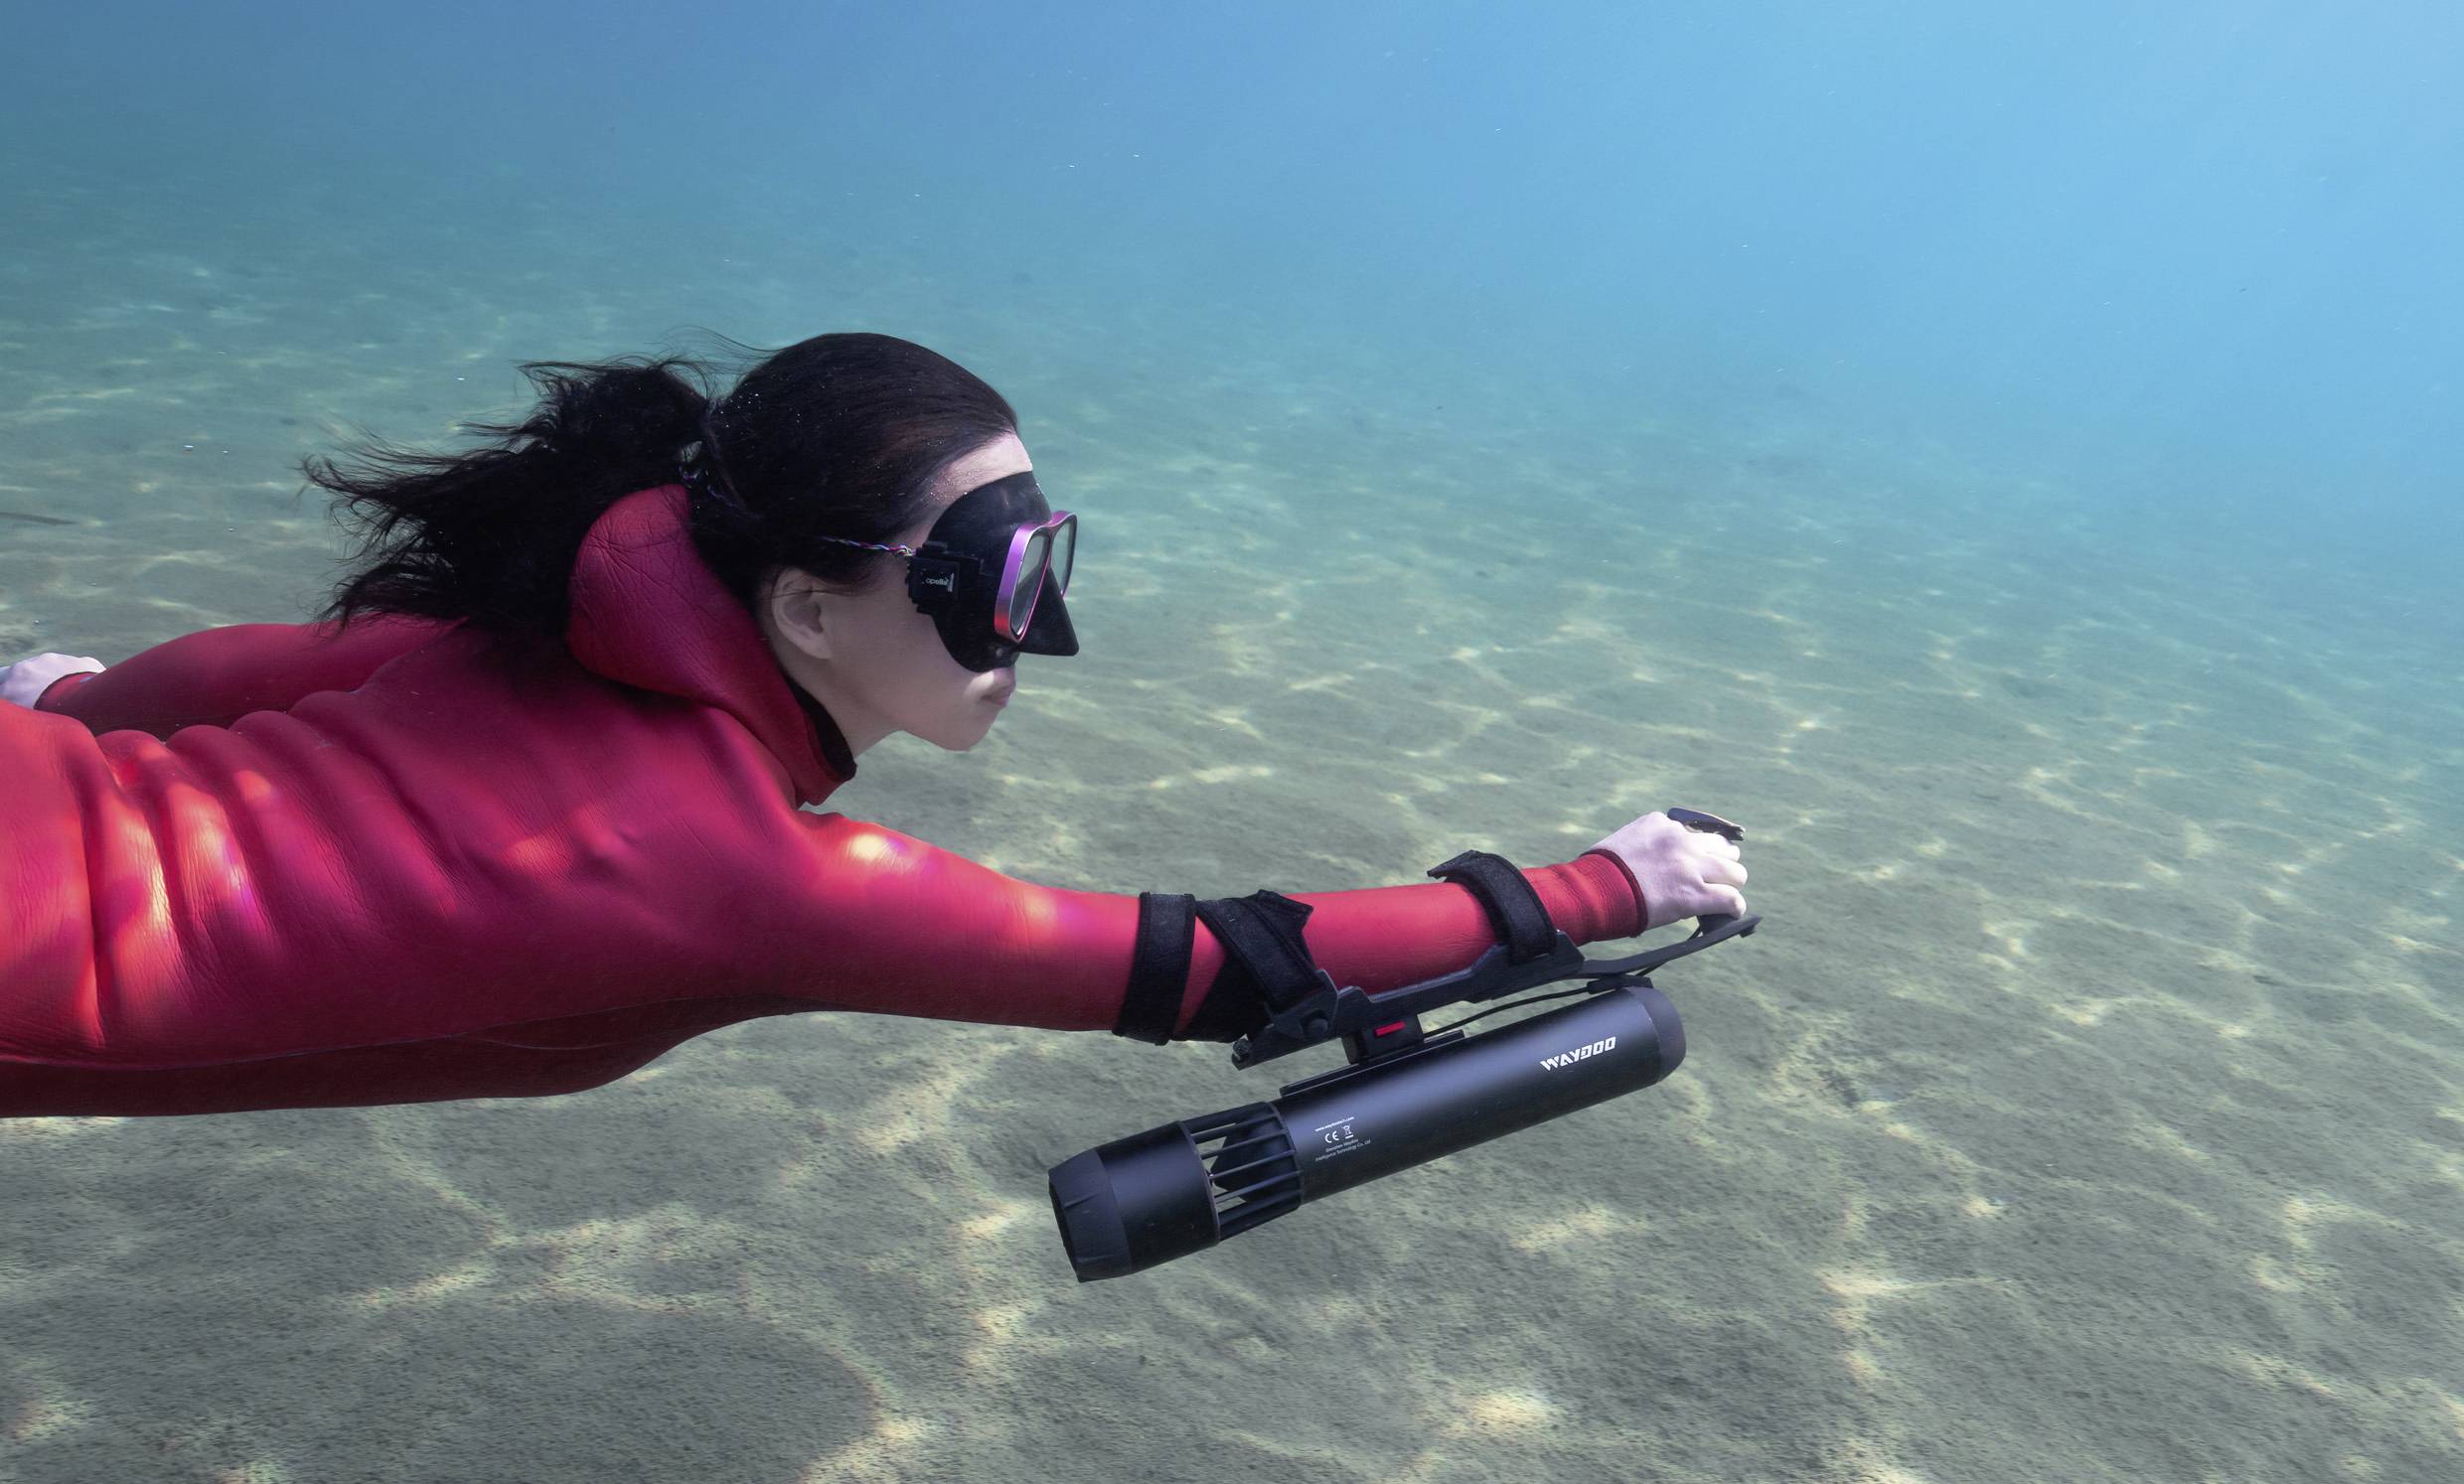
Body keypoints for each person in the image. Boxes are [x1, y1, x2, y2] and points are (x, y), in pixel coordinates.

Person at [0, 332, 1748, 1119]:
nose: (1037, 633)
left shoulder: (539, 628)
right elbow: (1225, 965)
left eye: (1048, 556)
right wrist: (1604, 885)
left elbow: (231, 674)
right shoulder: (744, 875)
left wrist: (67, 702)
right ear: (808, 608)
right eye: (995, 578)